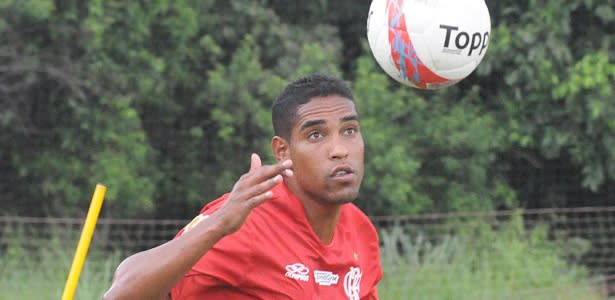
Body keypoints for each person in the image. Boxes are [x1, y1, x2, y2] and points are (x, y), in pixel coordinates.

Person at [103, 73, 383, 300]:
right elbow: (121, 292)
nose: (339, 150)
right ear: (283, 151)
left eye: (349, 131)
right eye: (316, 135)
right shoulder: (245, 221)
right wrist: (220, 222)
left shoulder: (360, 231)